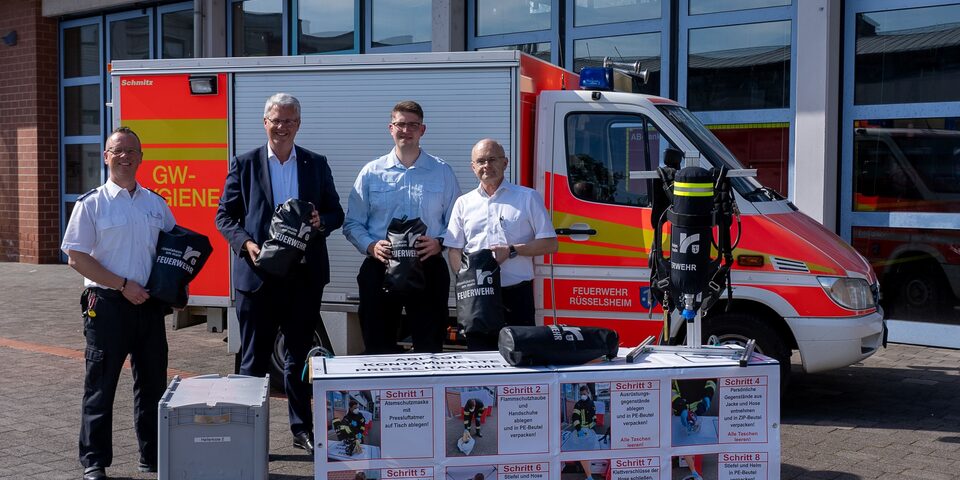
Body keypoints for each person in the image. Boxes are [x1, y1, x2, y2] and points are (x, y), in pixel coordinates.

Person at [216, 93, 344, 455]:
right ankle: (246, 430)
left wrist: (323, 221)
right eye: (276, 119)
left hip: (303, 280)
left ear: (298, 125)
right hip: (258, 278)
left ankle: (301, 428)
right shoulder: (244, 164)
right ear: (265, 122)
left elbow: (337, 213)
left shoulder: (316, 164)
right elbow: (224, 217)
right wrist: (246, 245)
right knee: (253, 359)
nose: (282, 126)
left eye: (289, 120)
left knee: (299, 358)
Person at [61, 127, 177, 480]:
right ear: (107, 156)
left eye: (132, 150)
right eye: (117, 150)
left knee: (153, 387)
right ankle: (94, 461)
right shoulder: (92, 203)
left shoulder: (156, 204)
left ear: (141, 158)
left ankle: (151, 456)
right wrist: (122, 285)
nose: (125, 156)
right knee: (100, 385)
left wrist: (177, 290)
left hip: (148, 307)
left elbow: (173, 250)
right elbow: (76, 257)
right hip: (107, 304)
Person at [343, 100, 460, 354]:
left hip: (427, 266)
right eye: (400, 124)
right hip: (381, 267)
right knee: (378, 346)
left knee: (429, 347)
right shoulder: (371, 173)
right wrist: (371, 246)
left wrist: (439, 241)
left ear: (423, 130)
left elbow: (457, 221)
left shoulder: (442, 172)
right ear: (390, 128)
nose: (406, 130)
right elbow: (352, 223)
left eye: (413, 125)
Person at [445, 139, 558, 350]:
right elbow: (454, 249)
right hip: (478, 297)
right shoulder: (463, 203)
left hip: (516, 296)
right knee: (479, 359)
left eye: (492, 159)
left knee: (521, 359)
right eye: (480, 161)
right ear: (473, 167)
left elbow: (550, 244)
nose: (486, 165)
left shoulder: (527, 197)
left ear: (505, 163)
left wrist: (513, 250)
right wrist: (465, 280)